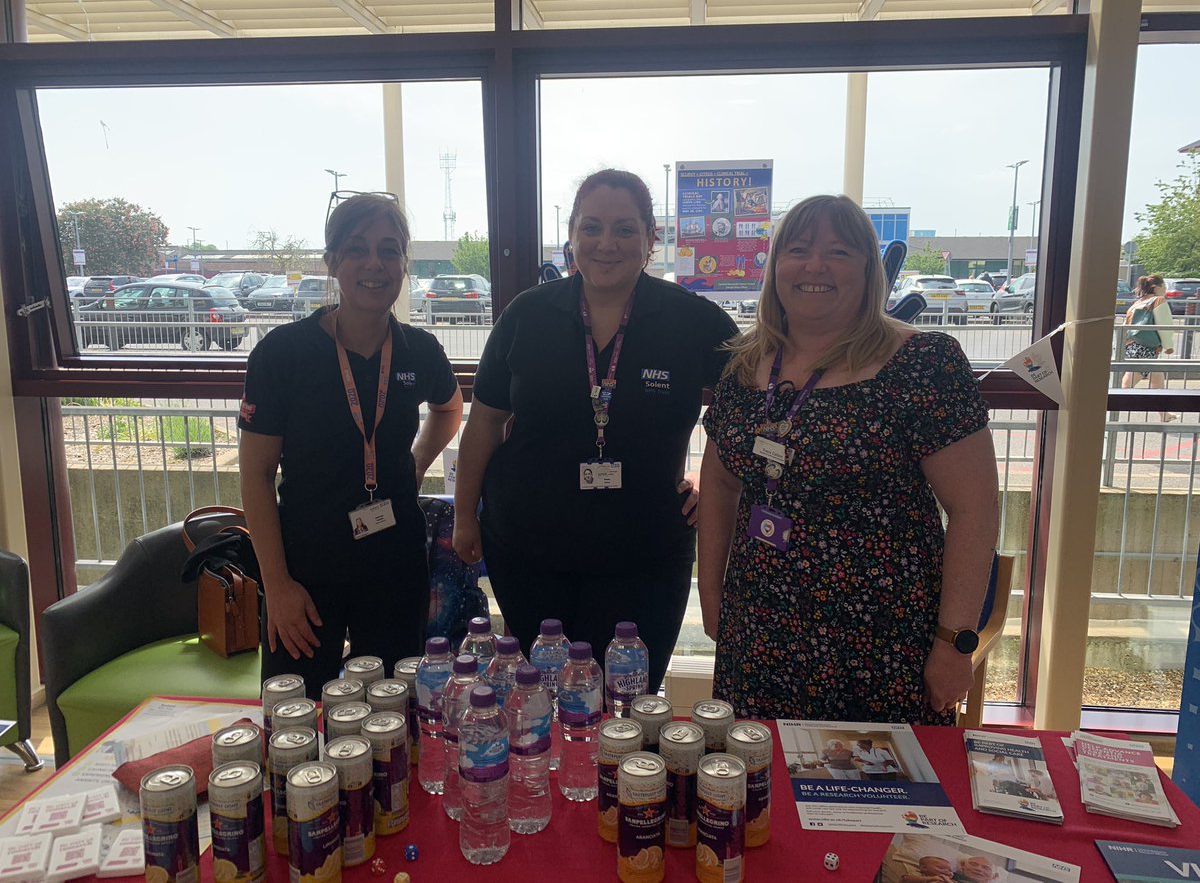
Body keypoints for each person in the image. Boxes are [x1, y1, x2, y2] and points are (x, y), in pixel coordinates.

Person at [698, 194, 999, 724]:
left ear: (868, 268)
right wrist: (711, 592)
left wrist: (955, 643)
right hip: (760, 629)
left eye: (838, 252)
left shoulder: (924, 362)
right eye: (797, 250)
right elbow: (719, 484)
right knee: (761, 790)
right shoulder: (743, 366)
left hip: (883, 639)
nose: (815, 266)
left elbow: (975, 512)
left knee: (882, 797)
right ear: (776, 268)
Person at [452, 168, 739, 692]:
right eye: (592, 228)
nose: (607, 244)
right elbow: (485, 422)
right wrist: (465, 517)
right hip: (527, 546)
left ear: (652, 239)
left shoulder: (693, 321)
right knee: (542, 698)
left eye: (625, 229)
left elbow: (744, 415)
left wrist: (707, 477)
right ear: (572, 238)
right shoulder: (527, 315)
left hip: (645, 551)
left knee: (628, 705)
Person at [239, 192, 464, 698]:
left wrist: (414, 462)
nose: (374, 263)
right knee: (295, 714)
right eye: (357, 248)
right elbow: (254, 476)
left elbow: (449, 409)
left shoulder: (419, 350)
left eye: (389, 250)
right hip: (306, 566)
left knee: (391, 715)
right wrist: (276, 585)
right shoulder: (283, 355)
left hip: (393, 560)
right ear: (332, 261)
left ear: (404, 264)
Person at [1120, 273, 1176, 422]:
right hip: (1147, 348)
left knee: (1156, 379)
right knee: (1129, 382)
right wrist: (1168, 345)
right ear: (1156, 287)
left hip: (1133, 345)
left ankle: (1164, 414)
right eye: (1164, 286)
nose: (1165, 289)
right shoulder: (1158, 301)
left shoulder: (1137, 303)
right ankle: (1109, 407)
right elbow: (1163, 325)